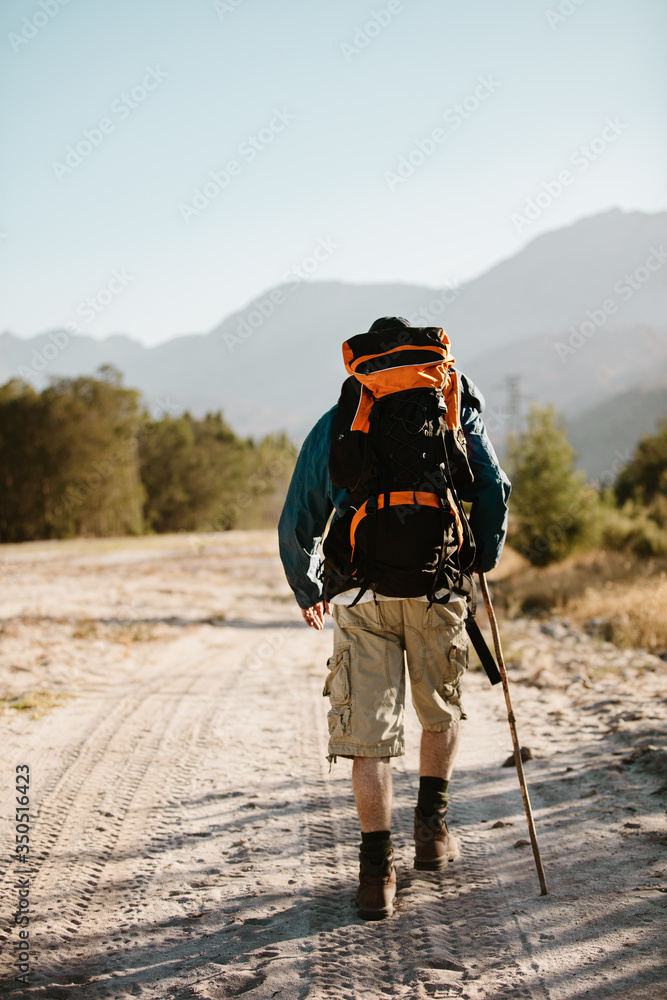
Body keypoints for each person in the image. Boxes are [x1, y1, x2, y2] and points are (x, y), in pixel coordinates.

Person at [278, 316, 510, 919]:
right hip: (438, 589)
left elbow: (298, 513)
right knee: (440, 712)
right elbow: (494, 488)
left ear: (363, 367)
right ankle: (432, 836)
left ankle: (376, 875)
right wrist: (478, 560)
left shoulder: (340, 420)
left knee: (369, 738)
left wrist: (308, 588)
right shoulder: (451, 406)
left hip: (361, 599)